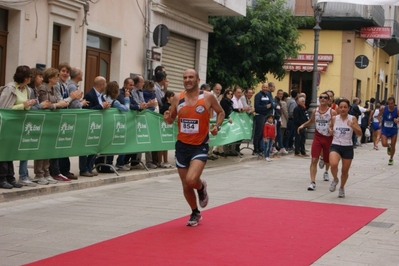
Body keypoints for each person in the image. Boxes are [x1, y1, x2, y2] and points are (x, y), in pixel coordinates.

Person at [163, 69, 224, 227]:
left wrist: (217, 126)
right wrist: (167, 118)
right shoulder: (177, 98)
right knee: (185, 185)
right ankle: (195, 212)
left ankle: (201, 186)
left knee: (191, 180)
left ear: (197, 80)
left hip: (199, 146)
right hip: (182, 146)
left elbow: (221, 112)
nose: (187, 80)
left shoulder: (208, 97)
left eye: (191, 77)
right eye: (185, 77)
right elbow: (171, 120)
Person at [0, 65, 36, 189]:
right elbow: (4, 108)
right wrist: (22, 106)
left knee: (12, 151)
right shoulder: (10, 88)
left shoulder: (28, 90)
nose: (31, 78)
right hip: (7, 124)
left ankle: (11, 177)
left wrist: (29, 104)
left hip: (19, 125)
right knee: (4, 151)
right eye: (29, 76)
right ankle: (2, 178)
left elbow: (25, 107)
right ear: (25, 77)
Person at [33, 67, 70, 185]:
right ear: (50, 78)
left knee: (49, 147)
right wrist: (57, 105)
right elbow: (46, 104)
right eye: (56, 76)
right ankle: (39, 173)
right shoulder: (43, 88)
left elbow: (61, 102)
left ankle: (46, 172)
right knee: (42, 147)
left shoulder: (54, 88)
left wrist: (57, 104)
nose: (57, 78)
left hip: (52, 121)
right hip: (43, 121)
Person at [297, 92, 336, 191]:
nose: (322, 99)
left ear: (328, 100)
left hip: (328, 138)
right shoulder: (315, 111)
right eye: (321, 97)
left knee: (328, 161)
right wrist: (303, 125)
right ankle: (312, 182)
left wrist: (333, 130)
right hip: (318, 137)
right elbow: (311, 121)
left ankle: (326, 171)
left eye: (325, 98)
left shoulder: (332, 112)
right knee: (314, 159)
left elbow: (337, 123)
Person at [329, 98, 362, 198]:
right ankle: (335, 179)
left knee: (344, 171)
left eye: (345, 107)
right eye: (341, 107)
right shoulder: (335, 118)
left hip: (347, 146)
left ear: (348, 108)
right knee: (333, 164)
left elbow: (360, 133)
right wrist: (330, 130)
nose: (343, 109)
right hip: (336, 145)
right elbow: (331, 127)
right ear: (338, 108)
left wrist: (352, 126)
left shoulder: (352, 119)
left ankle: (342, 187)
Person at [80, 76, 111, 177]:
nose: (105, 86)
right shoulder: (89, 95)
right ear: (101, 84)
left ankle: (89, 167)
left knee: (94, 148)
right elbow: (88, 110)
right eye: (105, 83)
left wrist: (105, 106)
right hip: (89, 125)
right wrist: (102, 106)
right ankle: (84, 169)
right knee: (85, 148)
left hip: (98, 125)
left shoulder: (101, 96)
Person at [253, 83, 275, 155]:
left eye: (266, 87)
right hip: (260, 115)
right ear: (262, 87)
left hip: (266, 116)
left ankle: (260, 148)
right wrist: (265, 107)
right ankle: (255, 148)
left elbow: (272, 104)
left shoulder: (268, 95)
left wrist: (270, 106)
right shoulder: (258, 95)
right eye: (264, 87)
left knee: (263, 133)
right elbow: (257, 107)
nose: (265, 88)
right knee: (258, 133)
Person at [378, 97, 399, 165]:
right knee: (384, 144)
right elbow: (378, 116)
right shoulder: (384, 108)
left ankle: (391, 158)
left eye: (392, 103)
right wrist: (380, 121)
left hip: (393, 129)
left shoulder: (397, 110)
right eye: (389, 103)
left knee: (393, 145)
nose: (390, 105)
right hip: (385, 129)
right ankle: (388, 146)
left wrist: (397, 120)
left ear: (394, 103)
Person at [159, 90, 175, 168]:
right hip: (163, 126)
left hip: (168, 127)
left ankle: (166, 161)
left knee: (166, 145)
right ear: (168, 98)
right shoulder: (166, 106)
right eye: (172, 96)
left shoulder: (173, 105)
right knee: (162, 145)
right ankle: (159, 161)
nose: (174, 97)